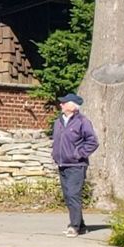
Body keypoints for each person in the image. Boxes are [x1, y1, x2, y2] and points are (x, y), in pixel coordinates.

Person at [52, 93, 99, 236]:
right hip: (62, 164)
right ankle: (81, 225)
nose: (61, 105)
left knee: (73, 194)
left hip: (76, 166)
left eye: (64, 103)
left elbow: (92, 142)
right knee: (68, 195)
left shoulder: (82, 122)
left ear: (72, 106)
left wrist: (78, 154)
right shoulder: (58, 122)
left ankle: (74, 226)